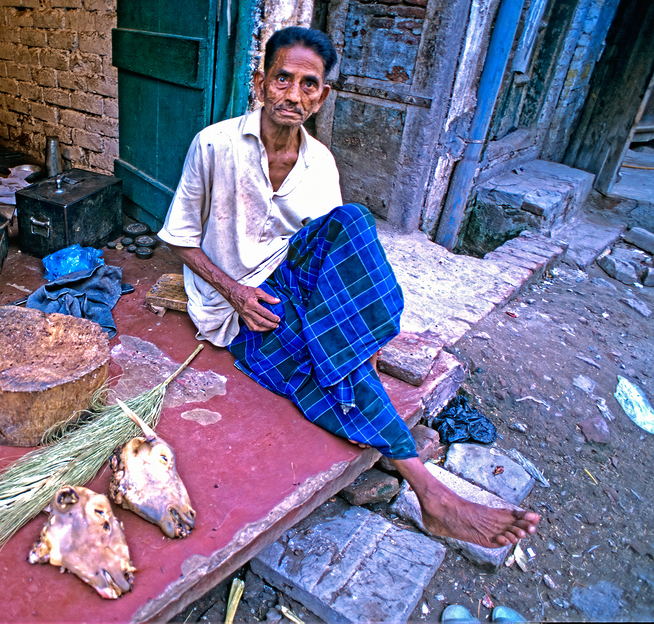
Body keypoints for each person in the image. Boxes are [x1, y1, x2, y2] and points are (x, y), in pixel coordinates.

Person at [158, 26, 539, 548]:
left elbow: (338, 253)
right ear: (260, 82)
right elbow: (178, 240)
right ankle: (430, 492)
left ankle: (365, 360)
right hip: (237, 303)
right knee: (315, 354)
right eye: (282, 79)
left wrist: (353, 329)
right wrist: (235, 293)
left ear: (322, 96)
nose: (293, 95)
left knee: (353, 221)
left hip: (290, 276)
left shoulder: (321, 163)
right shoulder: (214, 145)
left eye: (308, 85)